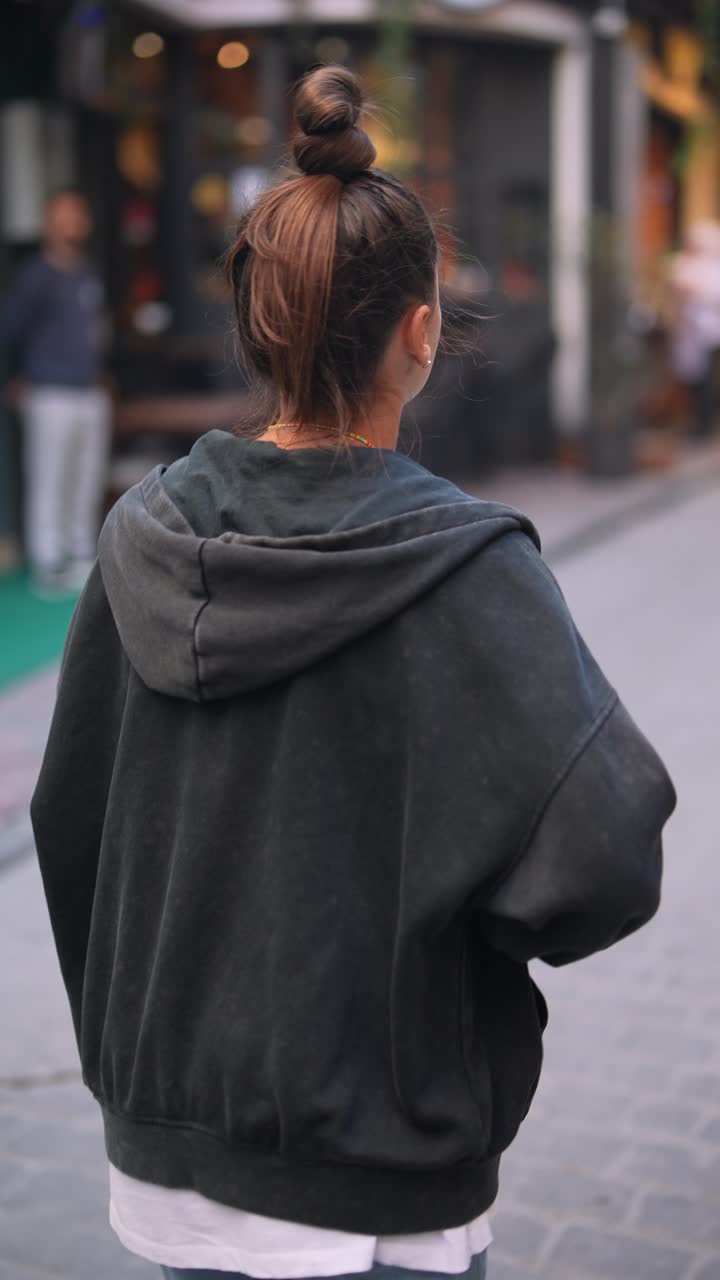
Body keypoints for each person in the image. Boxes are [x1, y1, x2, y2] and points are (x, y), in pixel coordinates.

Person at [31, 68, 676, 1280]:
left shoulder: (136, 538)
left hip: (169, 1165)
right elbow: (604, 856)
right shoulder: (472, 570)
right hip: (387, 1175)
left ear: (257, 318)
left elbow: (72, 822)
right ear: (423, 331)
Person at [0, 189, 111, 593]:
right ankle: (48, 558)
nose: (73, 221)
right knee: (50, 475)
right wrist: (22, 375)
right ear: (49, 221)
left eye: (78, 213)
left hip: (87, 388)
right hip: (49, 391)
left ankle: (80, 551)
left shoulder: (86, 273)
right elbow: (11, 329)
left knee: (86, 475)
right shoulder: (35, 276)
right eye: (65, 213)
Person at [668, 220, 720, 439]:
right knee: (694, 381)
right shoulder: (682, 264)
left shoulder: (713, 267)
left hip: (710, 332)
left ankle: (706, 424)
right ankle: (698, 423)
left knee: (707, 380)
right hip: (690, 332)